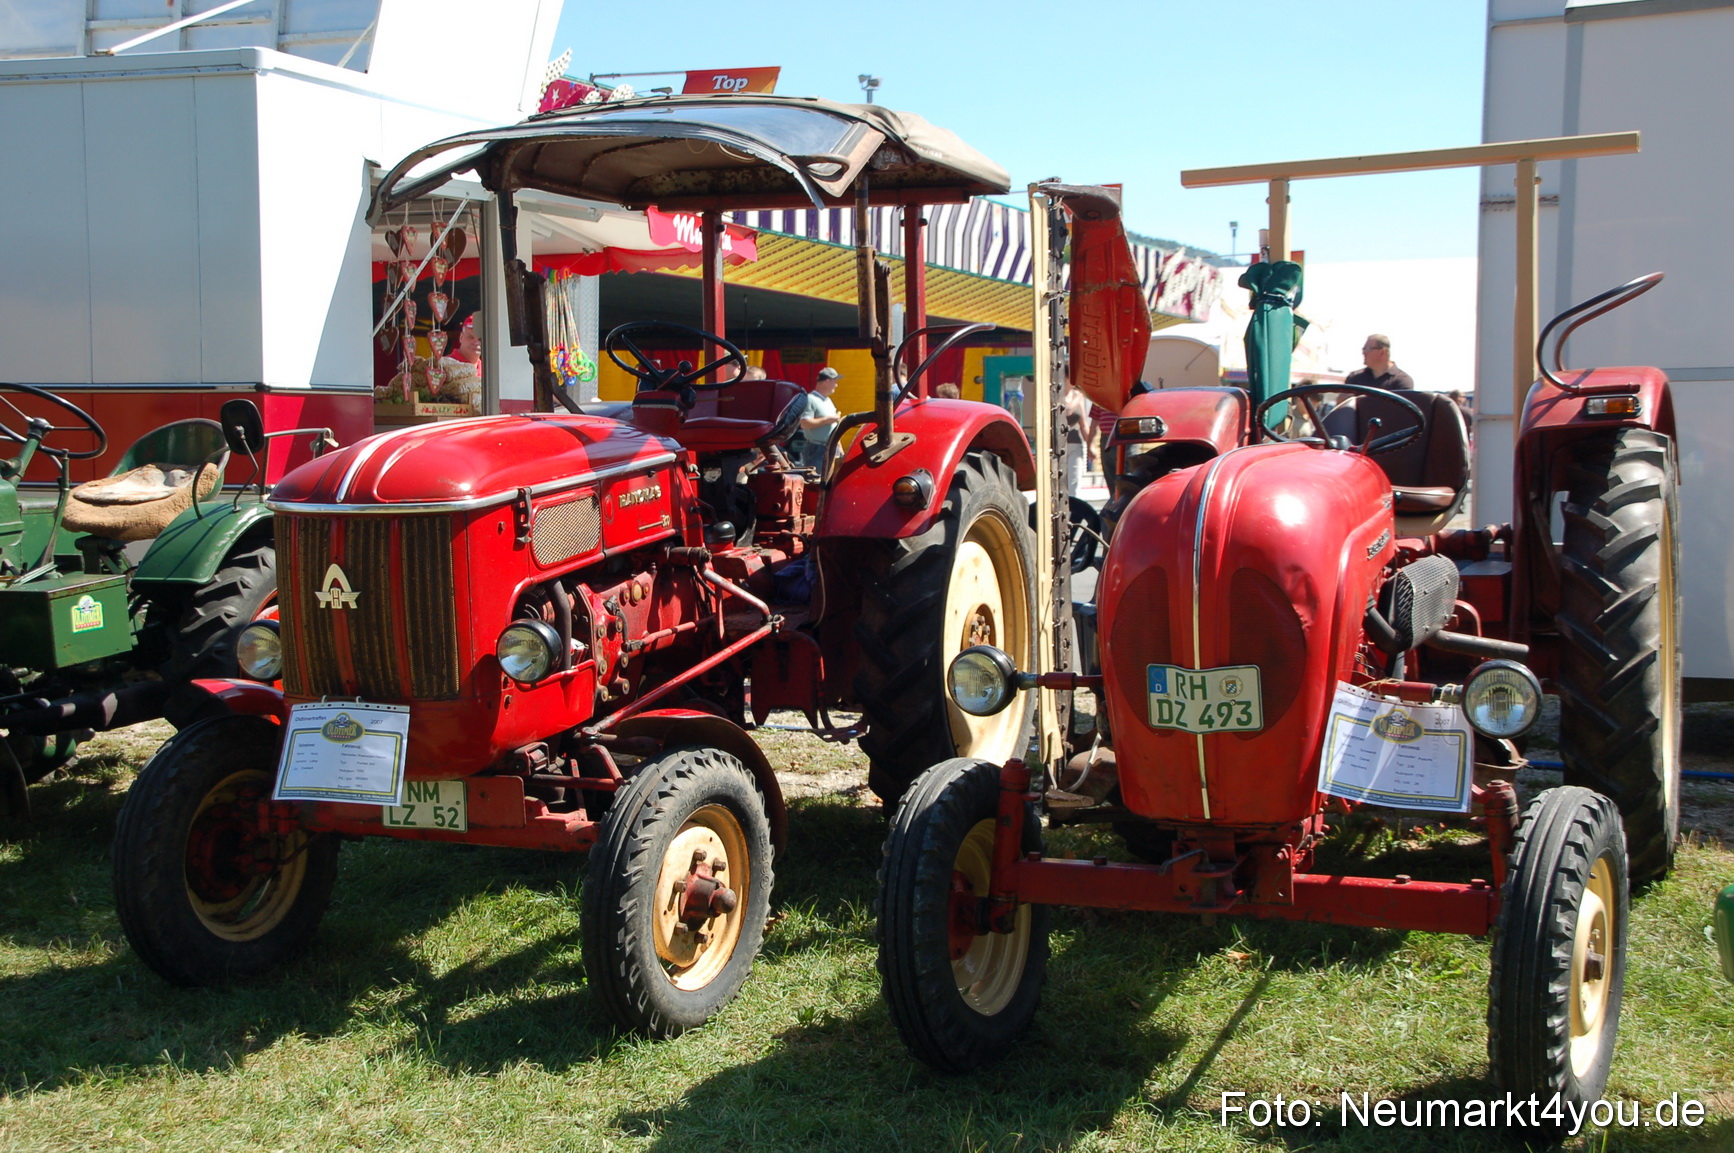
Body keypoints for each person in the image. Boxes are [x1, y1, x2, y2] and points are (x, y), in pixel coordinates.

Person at [789, 366, 841, 470]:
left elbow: (834, 426)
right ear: (827, 381)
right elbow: (804, 423)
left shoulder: (828, 400)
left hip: (831, 447)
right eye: (834, 382)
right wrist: (828, 420)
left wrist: (839, 447)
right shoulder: (810, 399)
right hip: (816, 449)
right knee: (817, 479)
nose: (836, 385)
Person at [1343, 333, 1415, 391]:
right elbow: (1342, 402)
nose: (1363, 353)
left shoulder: (1402, 381)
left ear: (1383, 352)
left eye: (1367, 349)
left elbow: (1401, 408)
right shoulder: (1355, 377)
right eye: (1363, 349)